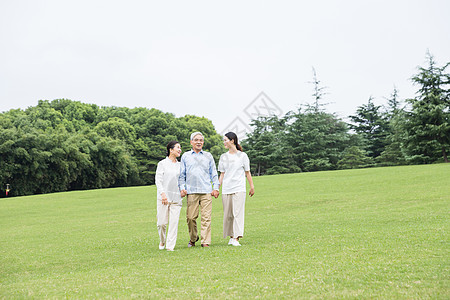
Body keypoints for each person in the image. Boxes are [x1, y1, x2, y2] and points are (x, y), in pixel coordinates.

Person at [179, 132, 220, 248]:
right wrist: (182, 188)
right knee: (191, 218)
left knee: (206, 217)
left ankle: (205, 241)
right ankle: (193, 238)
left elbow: (214, 174)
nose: (199, 142)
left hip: (206, 191)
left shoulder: (208, 156)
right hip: (191, 191)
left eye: (201, 140)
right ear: (191, 142)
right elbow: (182, 175)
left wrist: (215, 188)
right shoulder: (186, 156)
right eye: (196, 140)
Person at [218, 132, 255, 246]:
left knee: (237, 213)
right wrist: (216, 188)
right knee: (228, 214)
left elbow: (247, 173)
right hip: (226, 189)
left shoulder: (243, 156)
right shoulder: (224, 157)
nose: (224, 142)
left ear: (232, 140)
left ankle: (236, 238)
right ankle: (231, 236)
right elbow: (222, 174)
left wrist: (252, 186)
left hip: (239, 188)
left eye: (225, 140)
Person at [155, 141, 183, 251]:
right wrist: (162, 194)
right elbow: (158, 180)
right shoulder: (162, 164)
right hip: (163, 198)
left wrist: (183, 190)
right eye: (178, 148)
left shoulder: (180, 165)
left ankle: (170, 246)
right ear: (171, 150)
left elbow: (182, 180)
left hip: (176, 198)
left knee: (174, 223)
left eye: (180, 148)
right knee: (161, 223)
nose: (180, 150)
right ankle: (162, 240)